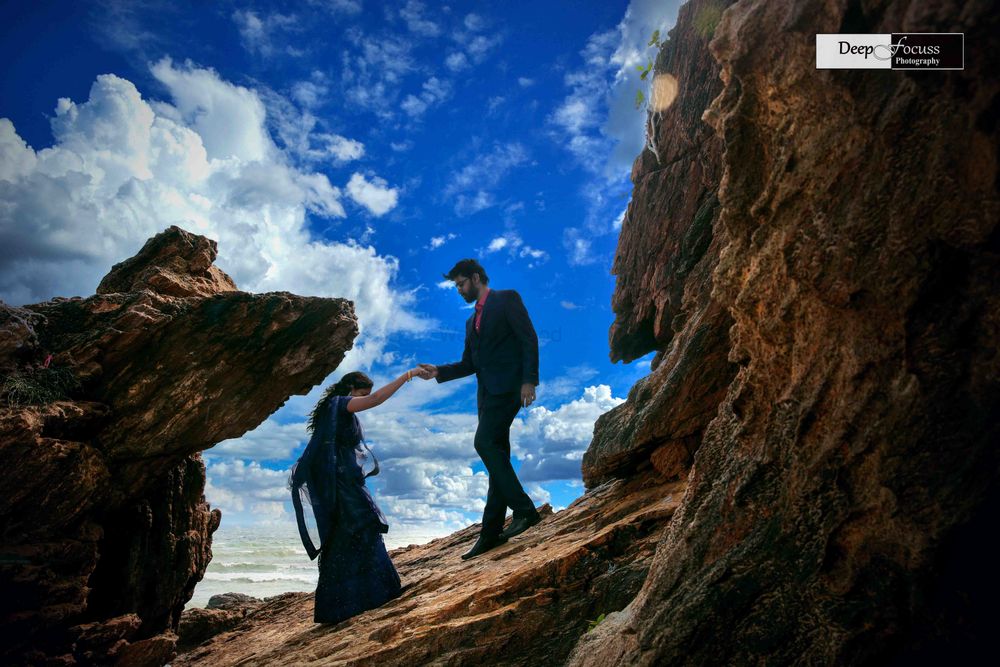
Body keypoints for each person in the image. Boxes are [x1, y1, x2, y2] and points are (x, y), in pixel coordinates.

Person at [420, 259, 542, 560]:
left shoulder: (507, 299)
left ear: (476, 278)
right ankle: (490, 534)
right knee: (496, 457)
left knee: (483, 443)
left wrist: (529, 381)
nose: (459, 290)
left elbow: (529, 339)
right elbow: (470, 364)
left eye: (461, 284)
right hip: (486, 396)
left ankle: (525, 511)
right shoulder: (469, 322)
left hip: (510, 388)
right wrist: (439, 371)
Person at [289, 368, 429, 624]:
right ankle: (359, 599)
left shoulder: (335, 407)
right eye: (363, 393)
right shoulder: (340, 403)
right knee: (359, 528)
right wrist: (408, 375)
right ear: (351, 389)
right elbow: (376, 401)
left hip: (345, 481)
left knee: (353, 532)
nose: (367, 398)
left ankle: (356, 600)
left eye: (366, 394)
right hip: (342, 484)